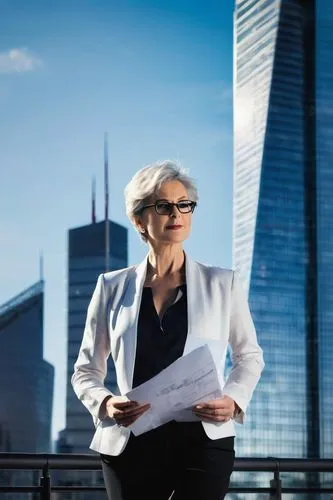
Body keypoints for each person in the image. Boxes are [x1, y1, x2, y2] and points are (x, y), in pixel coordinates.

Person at [72, 160, 264, 500]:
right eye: (163, 206)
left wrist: (233, 400)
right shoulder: (111, 287)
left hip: (204, 441)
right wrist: (106, 403)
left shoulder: (222, 283)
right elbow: (85, 371)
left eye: (184, 204)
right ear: (139, 220)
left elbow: (249, 357)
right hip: (131, 440)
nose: (176, 214)